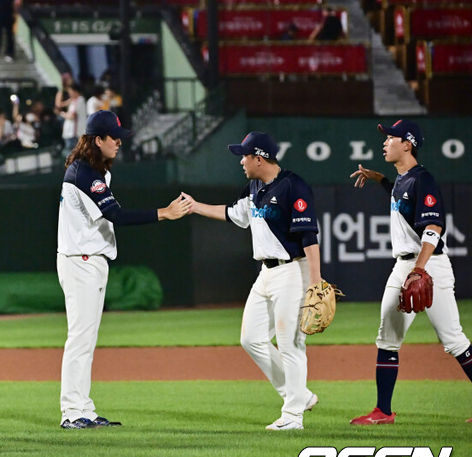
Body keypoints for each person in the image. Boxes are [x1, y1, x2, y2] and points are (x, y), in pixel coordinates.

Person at [56, 111, 190, 430]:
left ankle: (83, 407)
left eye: (120, 136)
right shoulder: (85, 174)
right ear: (97, 140)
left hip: (88, 260)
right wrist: (164, 214)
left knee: (86, 339)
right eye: (113, 137)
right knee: (80, 338)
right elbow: (116, 215)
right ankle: (72, 412)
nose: (119, 142)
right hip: (81, 261)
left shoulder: (93, 170)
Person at [182, 131, 321, 431]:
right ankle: (298, 395)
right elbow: (235, 215)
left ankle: (293, 416)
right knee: (251, 338)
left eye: (244, 156)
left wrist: (316, 281)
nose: (241, 161)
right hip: (266, 274)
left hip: (293, 272)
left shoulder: (293, 186)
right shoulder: (254, 187)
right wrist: (195, 206)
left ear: (259, 157)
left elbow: (309, 237)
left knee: (291, 343)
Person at [348, 120, 472, 425]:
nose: (385, 142)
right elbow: (402, 195)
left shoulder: (422, 179)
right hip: (403, 265)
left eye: (391, 137)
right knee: (387, 338)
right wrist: (379, 179)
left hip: (428, 265)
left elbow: (433, 228)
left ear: (408, 144)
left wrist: (418, 270)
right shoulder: (403, 179)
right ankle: (383, 411)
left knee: (453, 340)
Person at [59, 84, 86, 154]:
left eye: (70, 91)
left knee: (72, 157)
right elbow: (59, 105)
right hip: (70, 134)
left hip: (73, 134)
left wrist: (61, 114)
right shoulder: (74, 101)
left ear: (75, 91)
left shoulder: (79, 100)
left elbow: (71, 116)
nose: (69, 93)